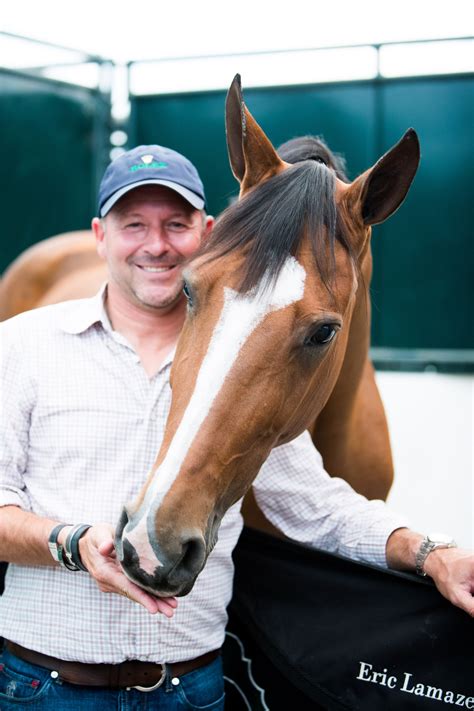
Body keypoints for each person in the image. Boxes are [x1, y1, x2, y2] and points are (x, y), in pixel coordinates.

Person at [0, 143, 472, 710]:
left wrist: (434, 553)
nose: (156, 244)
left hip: (188, 688)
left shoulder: (241, 357)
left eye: (176, 224)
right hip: (43, 684)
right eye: (134, 225)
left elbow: (316, 506)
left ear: (209, 230)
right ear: (100, 235)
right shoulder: (23, 345)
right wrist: (71, 544)